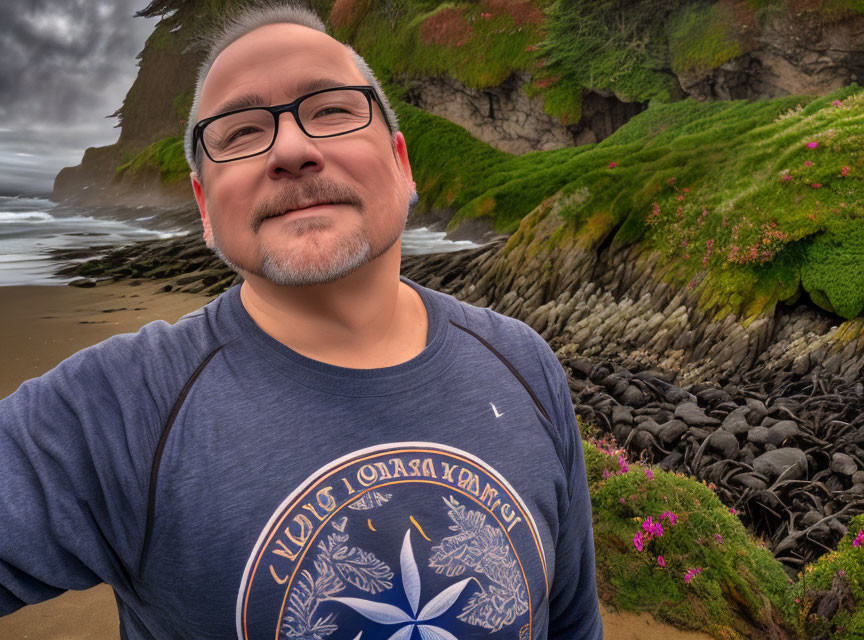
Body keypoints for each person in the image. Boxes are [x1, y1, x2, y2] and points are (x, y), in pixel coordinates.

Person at [0, 3, 603, 639]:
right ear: (205, 206)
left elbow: (569, 623)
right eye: (238, 133)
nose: (291, 148)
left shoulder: (525, 365)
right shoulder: (118, 411)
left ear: (402, 164)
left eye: (332, 110)